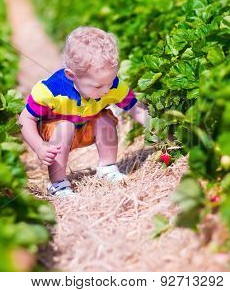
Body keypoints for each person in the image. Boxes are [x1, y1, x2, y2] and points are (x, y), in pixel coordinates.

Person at [18, 26, 150, 197]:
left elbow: (135, 109)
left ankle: (107, 168)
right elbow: (25, 119)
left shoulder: (112, 86)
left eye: (110, 81)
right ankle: (58, 184)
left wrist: (157, 126)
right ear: (71, 75)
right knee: (65, 127)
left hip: (85, 126)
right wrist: (38, 146)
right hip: (54, 132)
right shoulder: (51, 90)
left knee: (105, 120)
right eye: (98, 86)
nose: (106, 89)